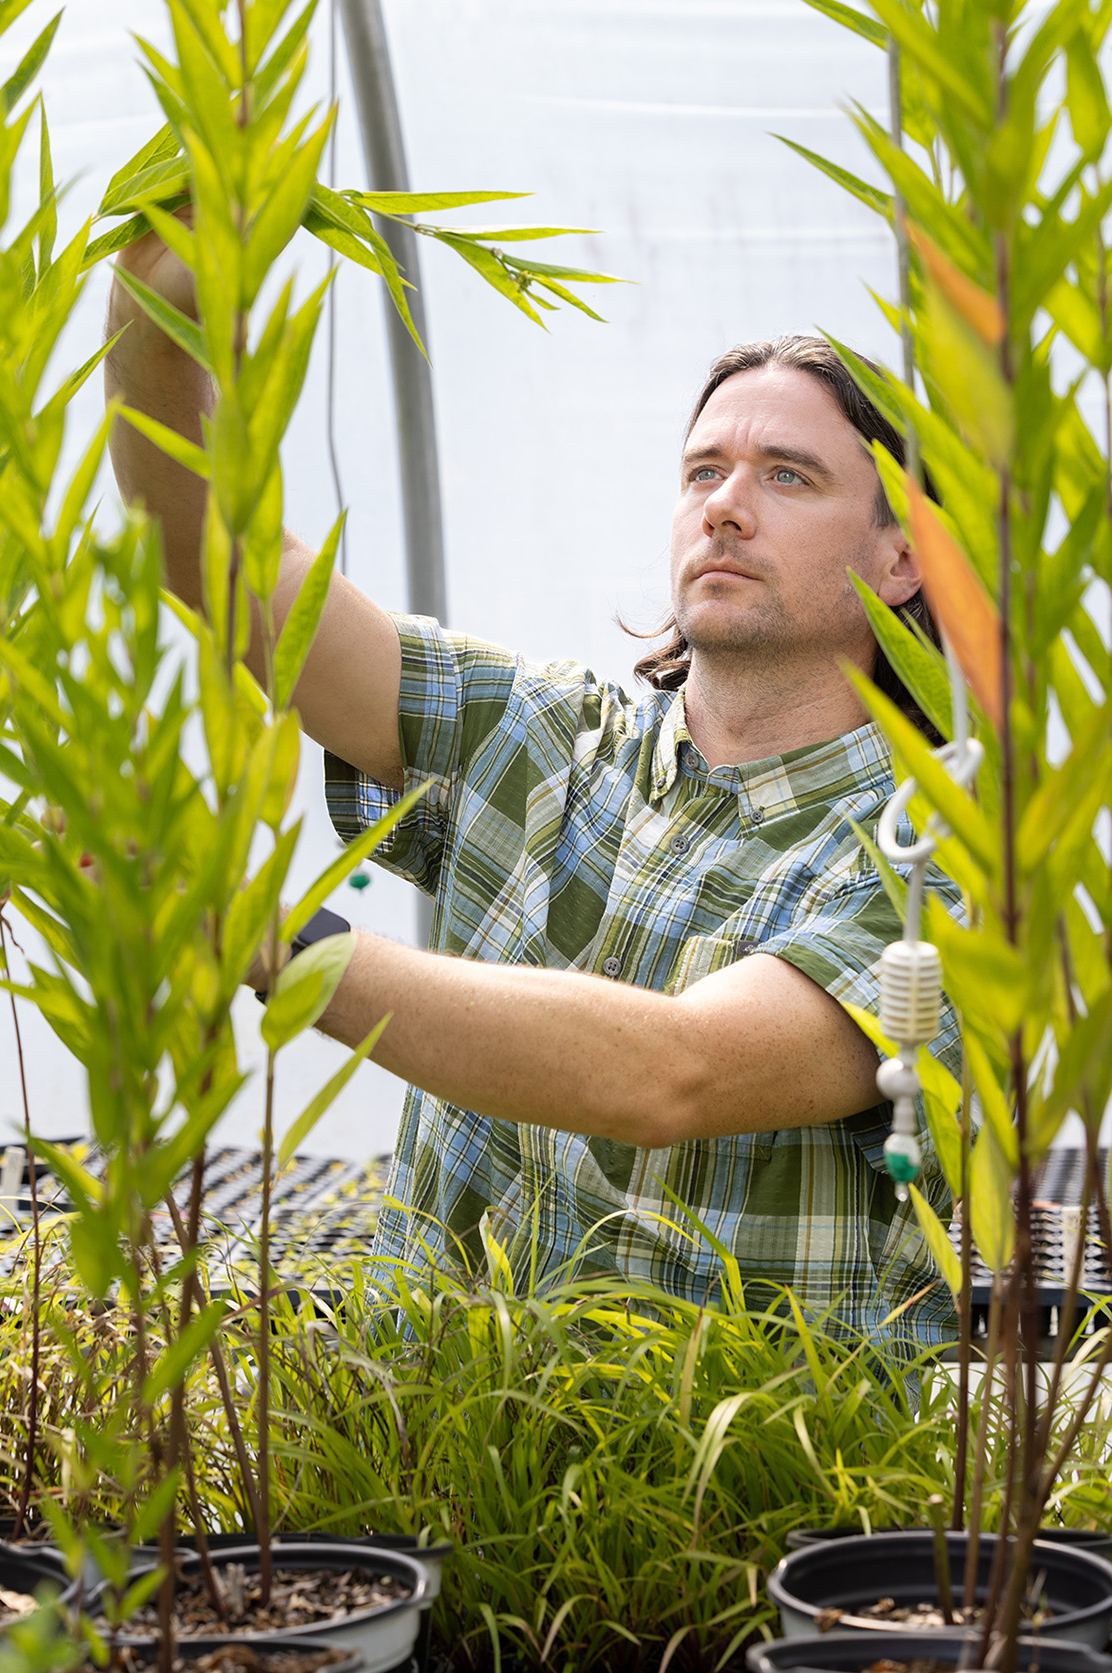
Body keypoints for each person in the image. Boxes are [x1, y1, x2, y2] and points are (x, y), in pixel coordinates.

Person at [106, 243, 960, 1347]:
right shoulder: (539, 736)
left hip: (749, 1513)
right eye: (704, 472)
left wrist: (280, 941)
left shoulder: (930, 858)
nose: (727, 509)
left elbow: (671, 1071)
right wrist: (160, 288)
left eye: (787, 476)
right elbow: (205, 545)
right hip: (409, 1492)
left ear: (901, 560)